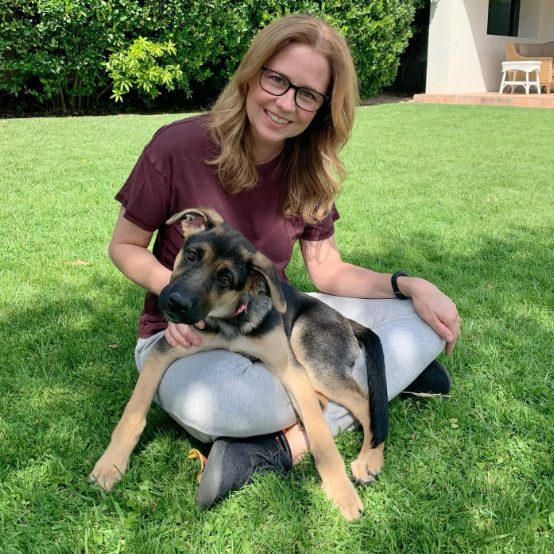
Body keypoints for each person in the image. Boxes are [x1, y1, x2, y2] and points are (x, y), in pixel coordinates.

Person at [110, 14, 460, 507]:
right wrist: (185, 296)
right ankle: (381, 385)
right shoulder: (177, 146)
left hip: (267, 321)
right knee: (218, 409)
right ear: (253, 73)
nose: (284, 103)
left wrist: (409, 283)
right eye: (277, 79)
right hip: (181, 337)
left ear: (321, 110)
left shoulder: (309, 172)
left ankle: (283, 443)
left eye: (307, 94)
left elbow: (327, 271)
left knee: (422, 324)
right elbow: (124, 246)